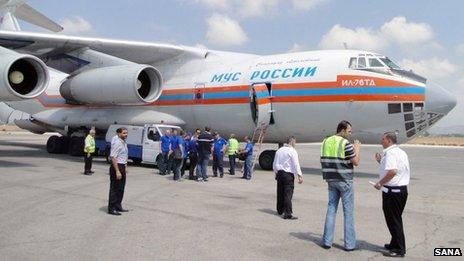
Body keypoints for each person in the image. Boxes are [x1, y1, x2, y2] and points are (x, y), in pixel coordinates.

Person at [320, 120, 361, 251]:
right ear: (342, 130)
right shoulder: (345, 143)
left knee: (331, 208)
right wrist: (357, 148)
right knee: (348, 212)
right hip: (344, 180)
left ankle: (327, 241)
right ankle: (349, 244)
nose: (350, 134)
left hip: (331, 179)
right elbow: (356, 162)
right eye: (349, 131)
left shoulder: (326, 141)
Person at [374, 132, 410, 258]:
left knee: (393, 220)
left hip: (393, 192)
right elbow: (394, 169)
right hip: (401, 191)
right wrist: (380, 161)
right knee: (395, 219)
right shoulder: (400, 152)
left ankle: (399, 249)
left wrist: (380, 183)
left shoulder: (390, 153)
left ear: (389, 140)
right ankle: (394, 243)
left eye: (383, 139)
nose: (381, 141)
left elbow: (392, 172)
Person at [273, 137, 304, 220]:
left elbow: (275, 162)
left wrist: (275, 172)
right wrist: (300, 175)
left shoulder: (279, 150)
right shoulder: (292, 151)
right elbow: (296, 164)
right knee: (288, 194)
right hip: (288, 175)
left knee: (280, 192)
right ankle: (288, 213)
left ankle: (280, 210)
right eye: (295, 142)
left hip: (279, 173)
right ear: (292, 142)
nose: (295, 144)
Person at [108, 127, 129, 216]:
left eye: (126, 133)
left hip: (122, 166)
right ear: (119, 134)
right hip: (116, 166)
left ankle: (118, 205)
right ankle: (111, 208)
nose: (126, 134)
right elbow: (113, 157)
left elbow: (124, 155)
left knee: (121, 188)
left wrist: (125, 166)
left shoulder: (124, 142)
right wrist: (117, 171)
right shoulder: (117, 143)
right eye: (124, 133)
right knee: (115, 188)